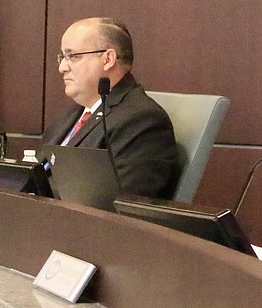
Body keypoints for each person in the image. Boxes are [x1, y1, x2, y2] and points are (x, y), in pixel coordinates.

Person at [40, 17, 177, 198]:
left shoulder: (143, 121)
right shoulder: (71, 115)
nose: (62, 67)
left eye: (72, 56)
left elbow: (115, 203)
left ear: (108, 59)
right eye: (62, 57)